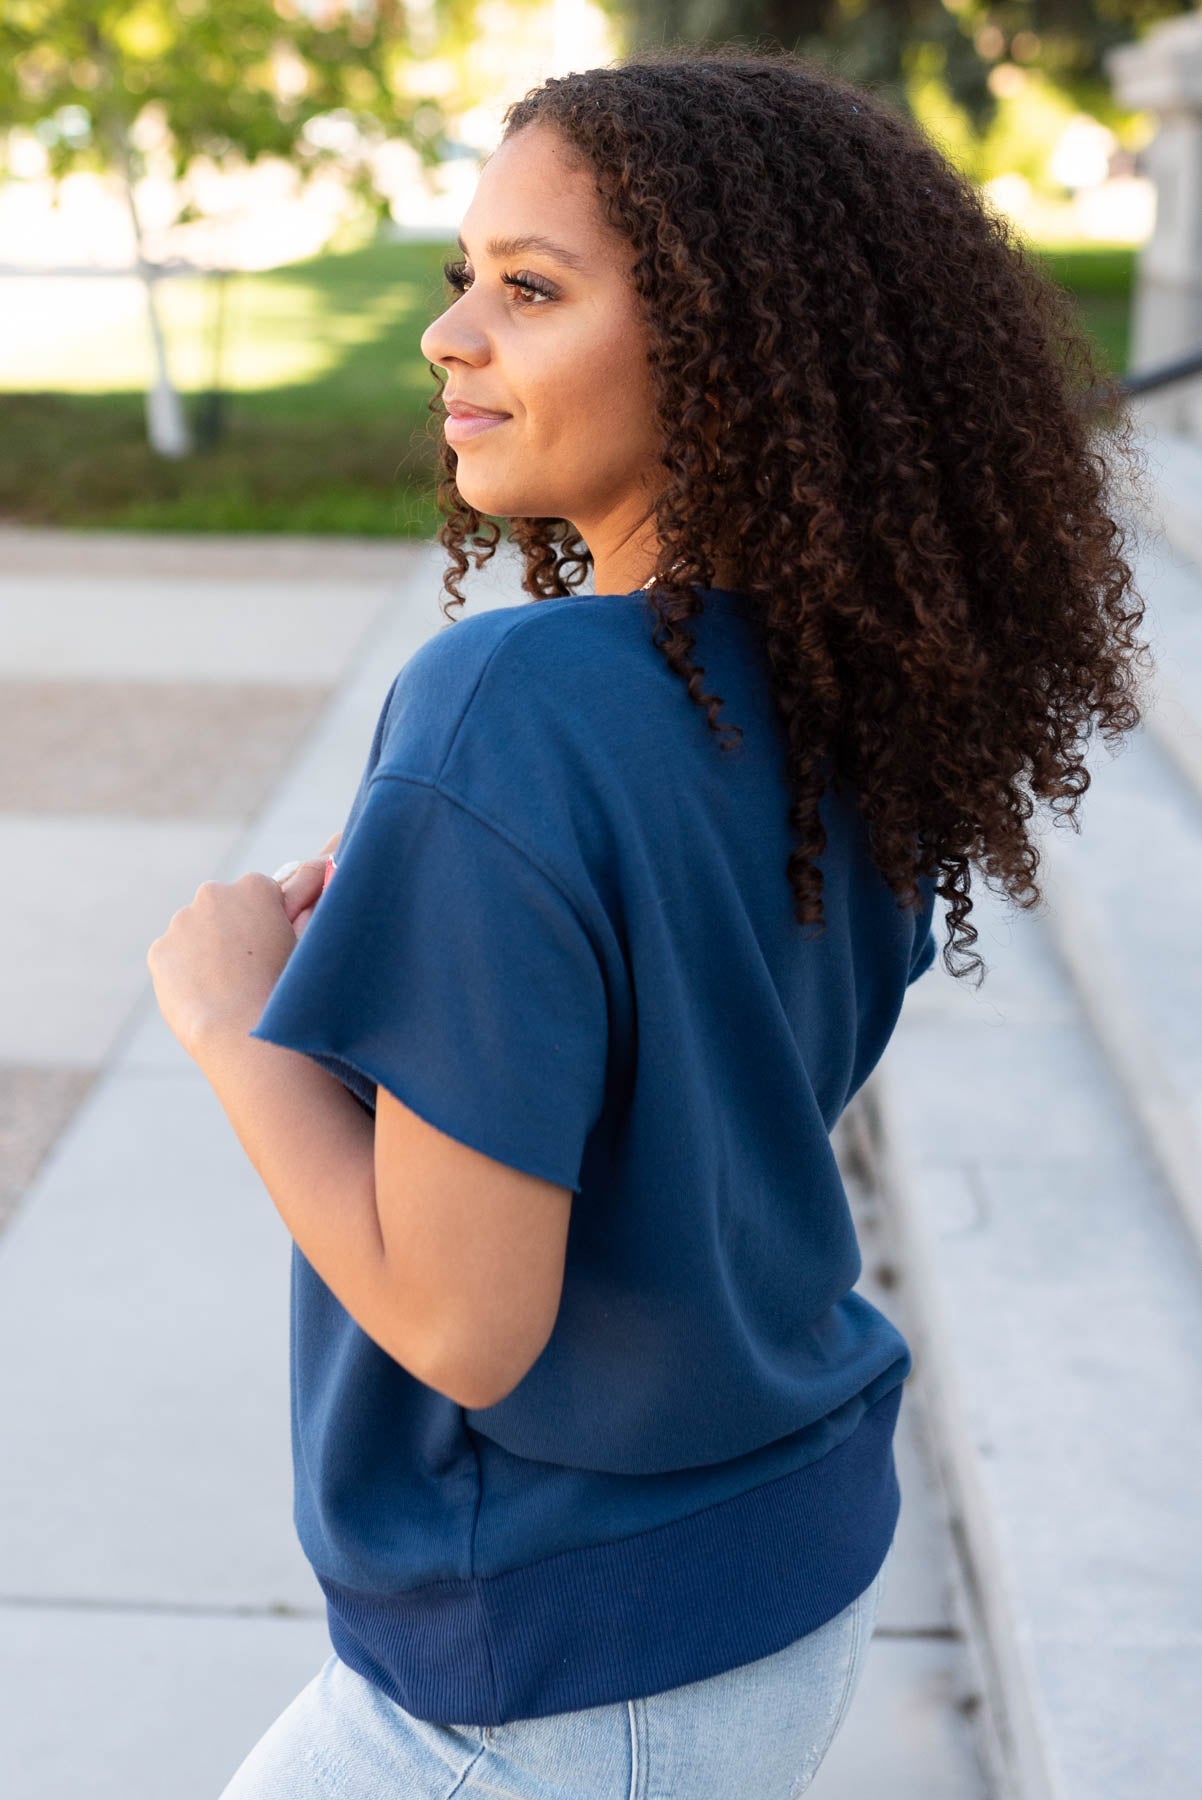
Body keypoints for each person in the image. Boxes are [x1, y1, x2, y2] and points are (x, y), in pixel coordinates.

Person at [210, 43, 1152, 1800]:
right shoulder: (833, 687)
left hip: (535, 1668)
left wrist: (229, 1016)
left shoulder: (516, 702)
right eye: (461, 280)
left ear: (724, 352)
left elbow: (460, 1322)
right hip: (756, 1585)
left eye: (530, 288)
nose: (449, 334)